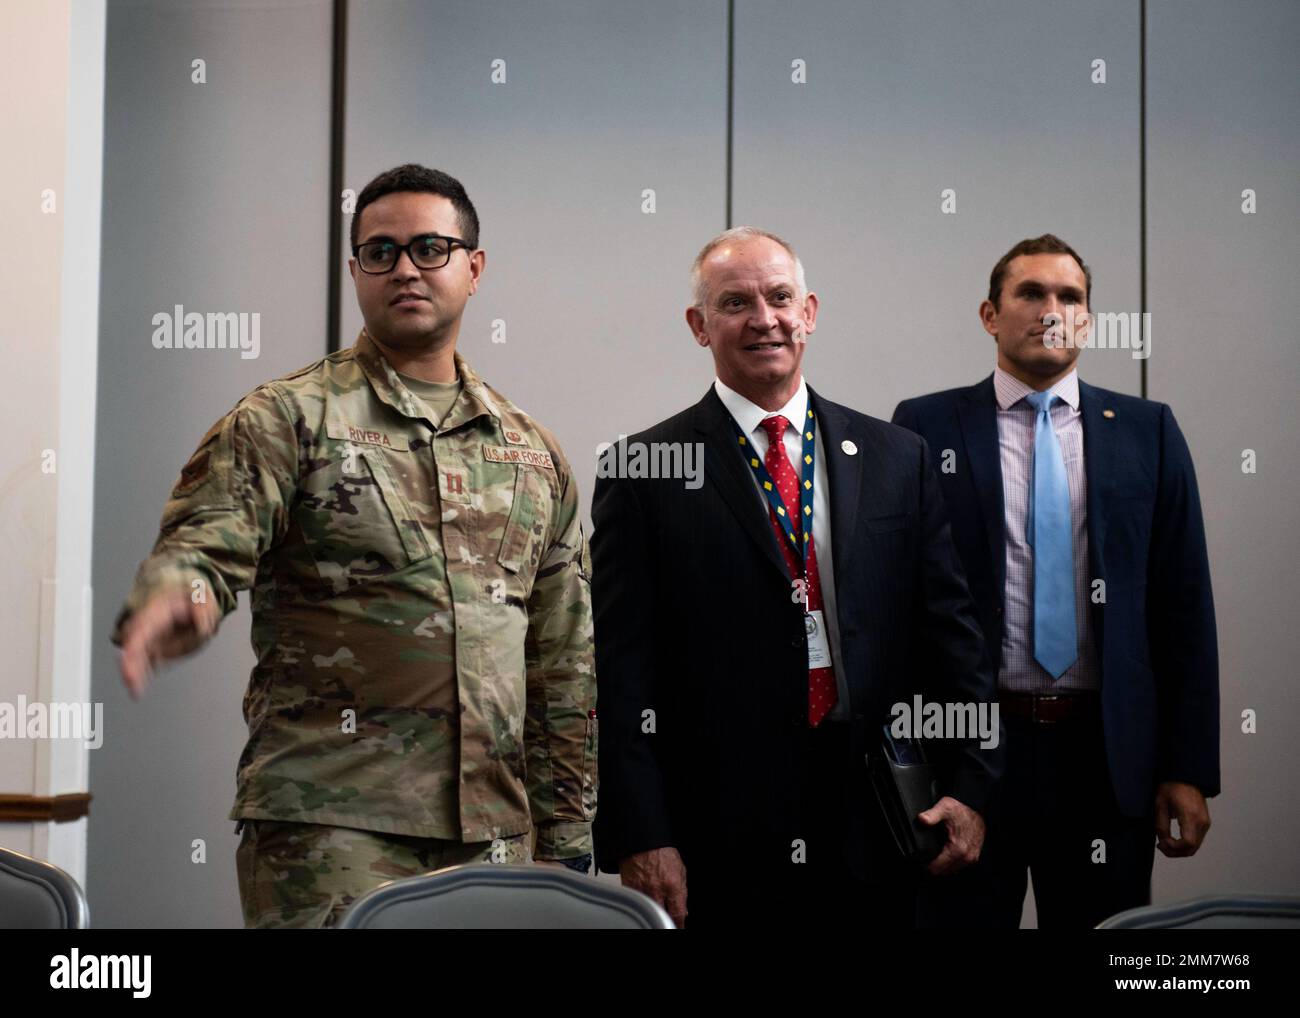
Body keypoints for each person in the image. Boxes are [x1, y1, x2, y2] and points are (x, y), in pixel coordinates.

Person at [112, 164, 597, 928]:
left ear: (475, 268)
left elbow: (562, 661)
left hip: (498, 837)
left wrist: (567, 839)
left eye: (431, 248)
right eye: (381, 251)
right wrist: (182, 597)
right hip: (333, 824)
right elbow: (209, 544)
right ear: (355, 271)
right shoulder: (287, 419)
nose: (405, 267)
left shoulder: (532, 454)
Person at [591, 227, 1002, 928]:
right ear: (700, 325)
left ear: (809, 311)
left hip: (877, 816)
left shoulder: (898, 457)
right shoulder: (641, 470)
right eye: (735, 302)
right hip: (717, 832)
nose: (764, 319)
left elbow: (953, 638)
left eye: (780, 298)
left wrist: (971, 786)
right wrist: (642, 832)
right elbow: (622, 674)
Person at [892, 234, 1218, 928]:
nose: (1051, 309)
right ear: (990, 314)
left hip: (1103, 758)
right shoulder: (923, 427)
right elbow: (898, 606)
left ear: (1088, 320)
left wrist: (1187, 768)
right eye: (1031, 293)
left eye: (1070, 296)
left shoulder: (1147, 431)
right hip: (970, 752)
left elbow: (1183, 606)